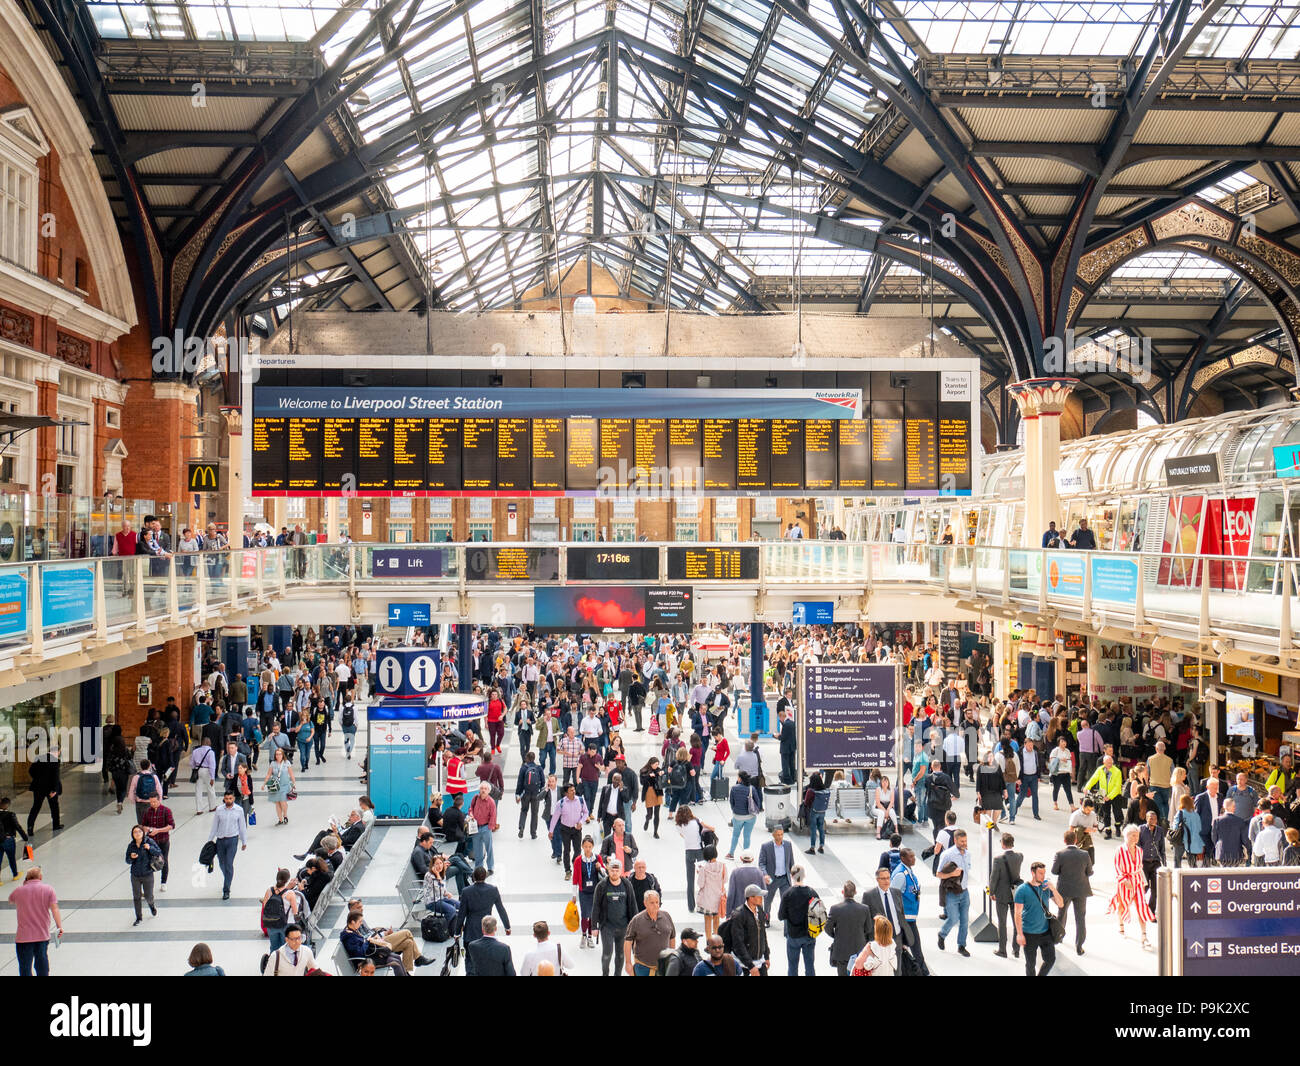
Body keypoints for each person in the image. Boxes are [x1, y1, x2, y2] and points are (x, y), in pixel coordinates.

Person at [453, 866, 511, 976]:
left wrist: (457, 933)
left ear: (473, 877)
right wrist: (507, 927)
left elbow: (461, 914)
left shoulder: (466, 891)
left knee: (470, 960)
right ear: (485, 876)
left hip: (470, 931)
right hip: (487, 929)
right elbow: (501, 909)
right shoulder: (493, 890)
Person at [8, 867, 61, 976]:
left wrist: (24, 885)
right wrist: (59, 926)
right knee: (42, 963)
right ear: (40, 877)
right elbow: (54, 909)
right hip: (42, 935)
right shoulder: (48, 889)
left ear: (27, 878)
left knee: (25, 967)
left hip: (23, 937)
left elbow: (11, 900)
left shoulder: (19, 891)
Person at [1014, 861, 1064, 977]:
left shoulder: (1046, 888)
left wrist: (1053, 889)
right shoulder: (1022, 890)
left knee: (1050, 959)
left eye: (1044, 873)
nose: (1043, 876)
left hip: (1045, 932)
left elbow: (1061, 904)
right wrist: (1019, 934)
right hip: (1029, 933)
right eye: (1040, 873)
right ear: (1033, 873)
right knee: (1030, 964)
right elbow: (1017, 913)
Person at [1109, 824, 1155, 947]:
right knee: (1122, 904)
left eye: (1137, 835)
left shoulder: (1140, 850)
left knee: (1142, 906)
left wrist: (1144, 882)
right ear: (1126, 835)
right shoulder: (1120, 850)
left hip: (1137, 881)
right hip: (1125, 882)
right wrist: (1124, 880)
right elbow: (1117, 867)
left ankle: (1144, 935)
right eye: (1133, 835)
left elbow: (1139, 868)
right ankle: (1121, 926)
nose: (1136, 838)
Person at [1051, 828, 1093, 956]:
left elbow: (1054, 871)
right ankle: (1079, 945)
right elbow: (1089, 872)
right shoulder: (1085, 854)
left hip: (1064, 890)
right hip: (1081, 889)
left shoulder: (1060, 854)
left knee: (1061, 914)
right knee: (1080, 917)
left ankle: (1058, 938)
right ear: (1076, 840)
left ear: (1064, 841)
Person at [864, 864, 914, 969]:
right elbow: (866, 920)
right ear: (877, 879)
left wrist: (903, 938)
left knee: (897, 970)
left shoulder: (896, 893)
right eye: (883, 878)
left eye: (888, 878)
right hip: (880, 940)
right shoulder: (869, 895)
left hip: (897, 938)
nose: (886, 881)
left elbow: (901, 915)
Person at [935, 828, 971, 957]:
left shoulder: (968, 854)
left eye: (966, 841)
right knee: (953, 918)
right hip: (951, 893)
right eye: (962, 841)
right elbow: (938, 874)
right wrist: (952, 874)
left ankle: (961, 945)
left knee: (965, 921)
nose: (964, 843)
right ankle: (942, 934)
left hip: (965, 892)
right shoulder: (947, 855)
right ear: (955, 840)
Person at [207, 790, 248, 901]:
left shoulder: (239, 810)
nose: (228, 801)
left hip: (232, 840)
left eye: (230, 798)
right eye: (226, 799)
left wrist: (244, 841)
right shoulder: (219, 810)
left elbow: (242, 826)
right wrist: (209, 840)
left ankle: (226, 889)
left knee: (229, 863)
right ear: (224, 799)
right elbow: (214, 826)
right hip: (220, 841)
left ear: (233, 798)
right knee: (222, 863)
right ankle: (228, 878)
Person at [624, 890, 675, 975]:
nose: (655, 905)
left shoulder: (666, 916)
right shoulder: (637, 920)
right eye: (652, 903)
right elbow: (628, 942)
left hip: (664, 967)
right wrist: (628, 963)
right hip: (643, 967)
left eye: (657, 902)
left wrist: (673, 959)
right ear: (645, 903)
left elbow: (672, 938)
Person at [989, 832, 1023, 959]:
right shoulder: (1020, 856)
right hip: (1015, 894)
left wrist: (992, 892)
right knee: (1016, 922)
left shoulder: (998, 860)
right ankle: (1016, 949)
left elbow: (994, 878)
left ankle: (1002, 950)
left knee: (1002, 922)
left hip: (1002, 895)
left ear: (1003, 844)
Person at [826, 881, 870, 977]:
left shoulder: (835, 909)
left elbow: (827, 928)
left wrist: (836, 936)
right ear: (855, 892)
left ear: (843, 892)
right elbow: (868, 928)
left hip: (841, 952)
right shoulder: (864, 909)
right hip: (859, 950)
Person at [728, 884, 770, 976]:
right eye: (759, 896)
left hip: (760, 960)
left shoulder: (760, 911)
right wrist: (750, 966)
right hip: (743, 964)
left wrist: (766, 955)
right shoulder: (739, 915)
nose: (762, 898)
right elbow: (738, 944)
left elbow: (763, 934)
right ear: (751, 898)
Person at [571, 835, 605, 948]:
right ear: (582, 847)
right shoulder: (578, 860)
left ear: (593, 847)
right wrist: (574, 895)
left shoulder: (597, 858)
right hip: (584, 892)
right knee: (585, 915)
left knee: (593, 915)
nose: (588, 849)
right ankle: (584, 935)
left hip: (595, 892)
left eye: (590, 846)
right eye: (585, 846)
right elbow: (575, 878)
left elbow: (605, 874)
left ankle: (590, 936)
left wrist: (600, 867)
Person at [124, 824, 161, 927]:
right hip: (135, 875)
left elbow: (158, 852)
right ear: (132, 834)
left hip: (147, 874)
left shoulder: (149, 842)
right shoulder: (131, 846)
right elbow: (127, 860)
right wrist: (131, 857)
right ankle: (138, 917)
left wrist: (150, 848)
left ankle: (151, 906)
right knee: (136, 896)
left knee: (148, 895)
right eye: (135, 832)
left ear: (143, 833)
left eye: (139, 832)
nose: (137, 834)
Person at [548, 782, 589, 872]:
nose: (574, 792)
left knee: (578, 850)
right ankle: (567, 870)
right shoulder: (561, 803)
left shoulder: (581, 800)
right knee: (567, 850)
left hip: (577, 829)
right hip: (565, 829)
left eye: (574, 790)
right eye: (571, 791)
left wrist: (581, 822)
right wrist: (551, 831)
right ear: (566, 793)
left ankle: (574, 861)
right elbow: (555, 818)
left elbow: (586, 812)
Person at [758, 826, 795, 924]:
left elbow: (791, 861)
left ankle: (786, 921)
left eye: (782, 834)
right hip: (772, 879)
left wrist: (794, 873)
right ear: (773, 835)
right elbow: (761, 863)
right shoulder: (766, 846)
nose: (780, 837)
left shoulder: (788, 845)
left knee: (787, 900)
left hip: (784, 879)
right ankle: (766, 919)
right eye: (778, 835)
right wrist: (765, 875)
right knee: (767, 901)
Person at [1084, 755, 1124, 839]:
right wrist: (1087, 787)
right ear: (1104, 763)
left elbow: (1117, 787)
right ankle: (1108, 831)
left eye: (1111, 763)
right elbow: (1093, 779)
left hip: (1115, 795)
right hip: (1103, 793)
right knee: (1106, 813)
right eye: (1108, 763)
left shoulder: (1117, 771)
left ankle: (1117, 828)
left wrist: (1109, 796)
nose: (1109, 764)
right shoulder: (1100, 769)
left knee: (1117, 813)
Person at [140, 793, 175, 891]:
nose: (152, 804)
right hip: (151, 842)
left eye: (154, 801)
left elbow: (171, 825)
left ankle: (163, 882)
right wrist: (147, 829)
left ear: (159, 800)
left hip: (163, 840)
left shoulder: (166, 811)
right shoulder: (147, 811)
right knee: (147, 861)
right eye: (151, 802)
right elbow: (142, 825)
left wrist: (158, 830)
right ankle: (147, 883)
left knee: (164, 861)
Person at [1137, 810, 1166, 912]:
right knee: (1144, 888)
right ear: (1146, 819)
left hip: (1155, 862)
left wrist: (1164, 864)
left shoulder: (1160, 830)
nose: (1152, 820)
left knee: (1155, 890)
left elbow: (1162, 848)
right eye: (1150, 818)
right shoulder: (1141, 829)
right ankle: (1141, 908)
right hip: (1144, 863)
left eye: (1154, 818)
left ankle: (1151, 911)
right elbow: (1138, 845)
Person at [469, 781, 498, 875]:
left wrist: (489, 827)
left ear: (488, 791)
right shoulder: (475, 798)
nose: (483, 790)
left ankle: (490, 867)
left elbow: (493, 815)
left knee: (489, 848)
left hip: (486, 827)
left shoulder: (491, 802)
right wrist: (471, 814)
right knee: (477, 850)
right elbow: (471, 808)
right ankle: (478, 867)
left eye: (485, 789)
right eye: (482, 788)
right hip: (476, 828)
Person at [263, 746, 296, 827]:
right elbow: (269, 774)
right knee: (277, 802)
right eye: (277, 754)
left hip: (285, 785)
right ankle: (280, 819)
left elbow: (291, 774)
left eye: (280, 754)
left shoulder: (286, 763)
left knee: (283, 801)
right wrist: (264, 783)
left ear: (282, 755)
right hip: (276, 786)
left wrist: (293, 783)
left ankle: (285, 815)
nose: (278, 756)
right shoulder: (272, 763)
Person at [515, 750, 545, 839]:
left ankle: (521, 828)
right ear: (534, 758)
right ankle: (533, 833)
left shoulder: (524, 768)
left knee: (524, 810)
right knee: (534, 813)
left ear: (527, 758)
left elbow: (519, 782)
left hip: (525, 793)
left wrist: (517, 794)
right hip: (536, 794)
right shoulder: (539, 768)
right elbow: (543, 782)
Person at [1212, 798, 1249, 866]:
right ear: (1234, 807)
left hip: (1221, 852)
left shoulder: (1216, 820)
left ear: (1224, 807)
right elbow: (1244, 839)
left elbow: (1214, 837)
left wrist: (1217, 846)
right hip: (1236, 853)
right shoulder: (1240, 821)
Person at [0, 796, 30, 881]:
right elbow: (17, 826)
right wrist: (25, 837)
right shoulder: (10, 815)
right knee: (11, 858)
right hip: (9, 839)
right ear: (8, 805)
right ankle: (15, 875)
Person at [1171, 793, 1203, 869]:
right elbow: (1199, 829)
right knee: (1192, 862)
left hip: (1180, 840)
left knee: (1177, 860)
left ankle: (1177, 877)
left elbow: (1175, 827)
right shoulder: (1196, 815)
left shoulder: (1180, 813)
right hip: (1192, 841)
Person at [190, 739, 218, 814]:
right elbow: (212, 765)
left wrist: (194, 769)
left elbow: (192, 763)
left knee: (198, 790)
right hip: (207, 771)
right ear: (209, 743)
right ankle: (212, 807)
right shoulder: (211, 752)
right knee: (210, 789)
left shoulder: (195, 751)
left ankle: (199, 809)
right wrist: (212, 777)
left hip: (198, 770)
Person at [1049, 737, 1076, 811]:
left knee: (1068, 790)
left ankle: (1072, 806)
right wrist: (1060, 759)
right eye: (1062, 741)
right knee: (1056, 789)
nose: (1064, 743)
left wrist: (1071, 772)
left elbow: (1069, 761)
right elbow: (1051, 760)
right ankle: (1055, 803)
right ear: (1059, 743)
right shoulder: (1055, 750)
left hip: (1066, 772)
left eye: (1065, 741)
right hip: (1057, 773)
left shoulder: (1067, 751)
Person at [778, 709, 797, 785]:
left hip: (785, 749)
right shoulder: (792, 723)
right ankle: (793, 778)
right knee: (792, 764)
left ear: (781, 717)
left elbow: (783, 737)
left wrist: (777, 736)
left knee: (785, 765)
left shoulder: (785, 725)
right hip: (792, 747)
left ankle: (787, 780)